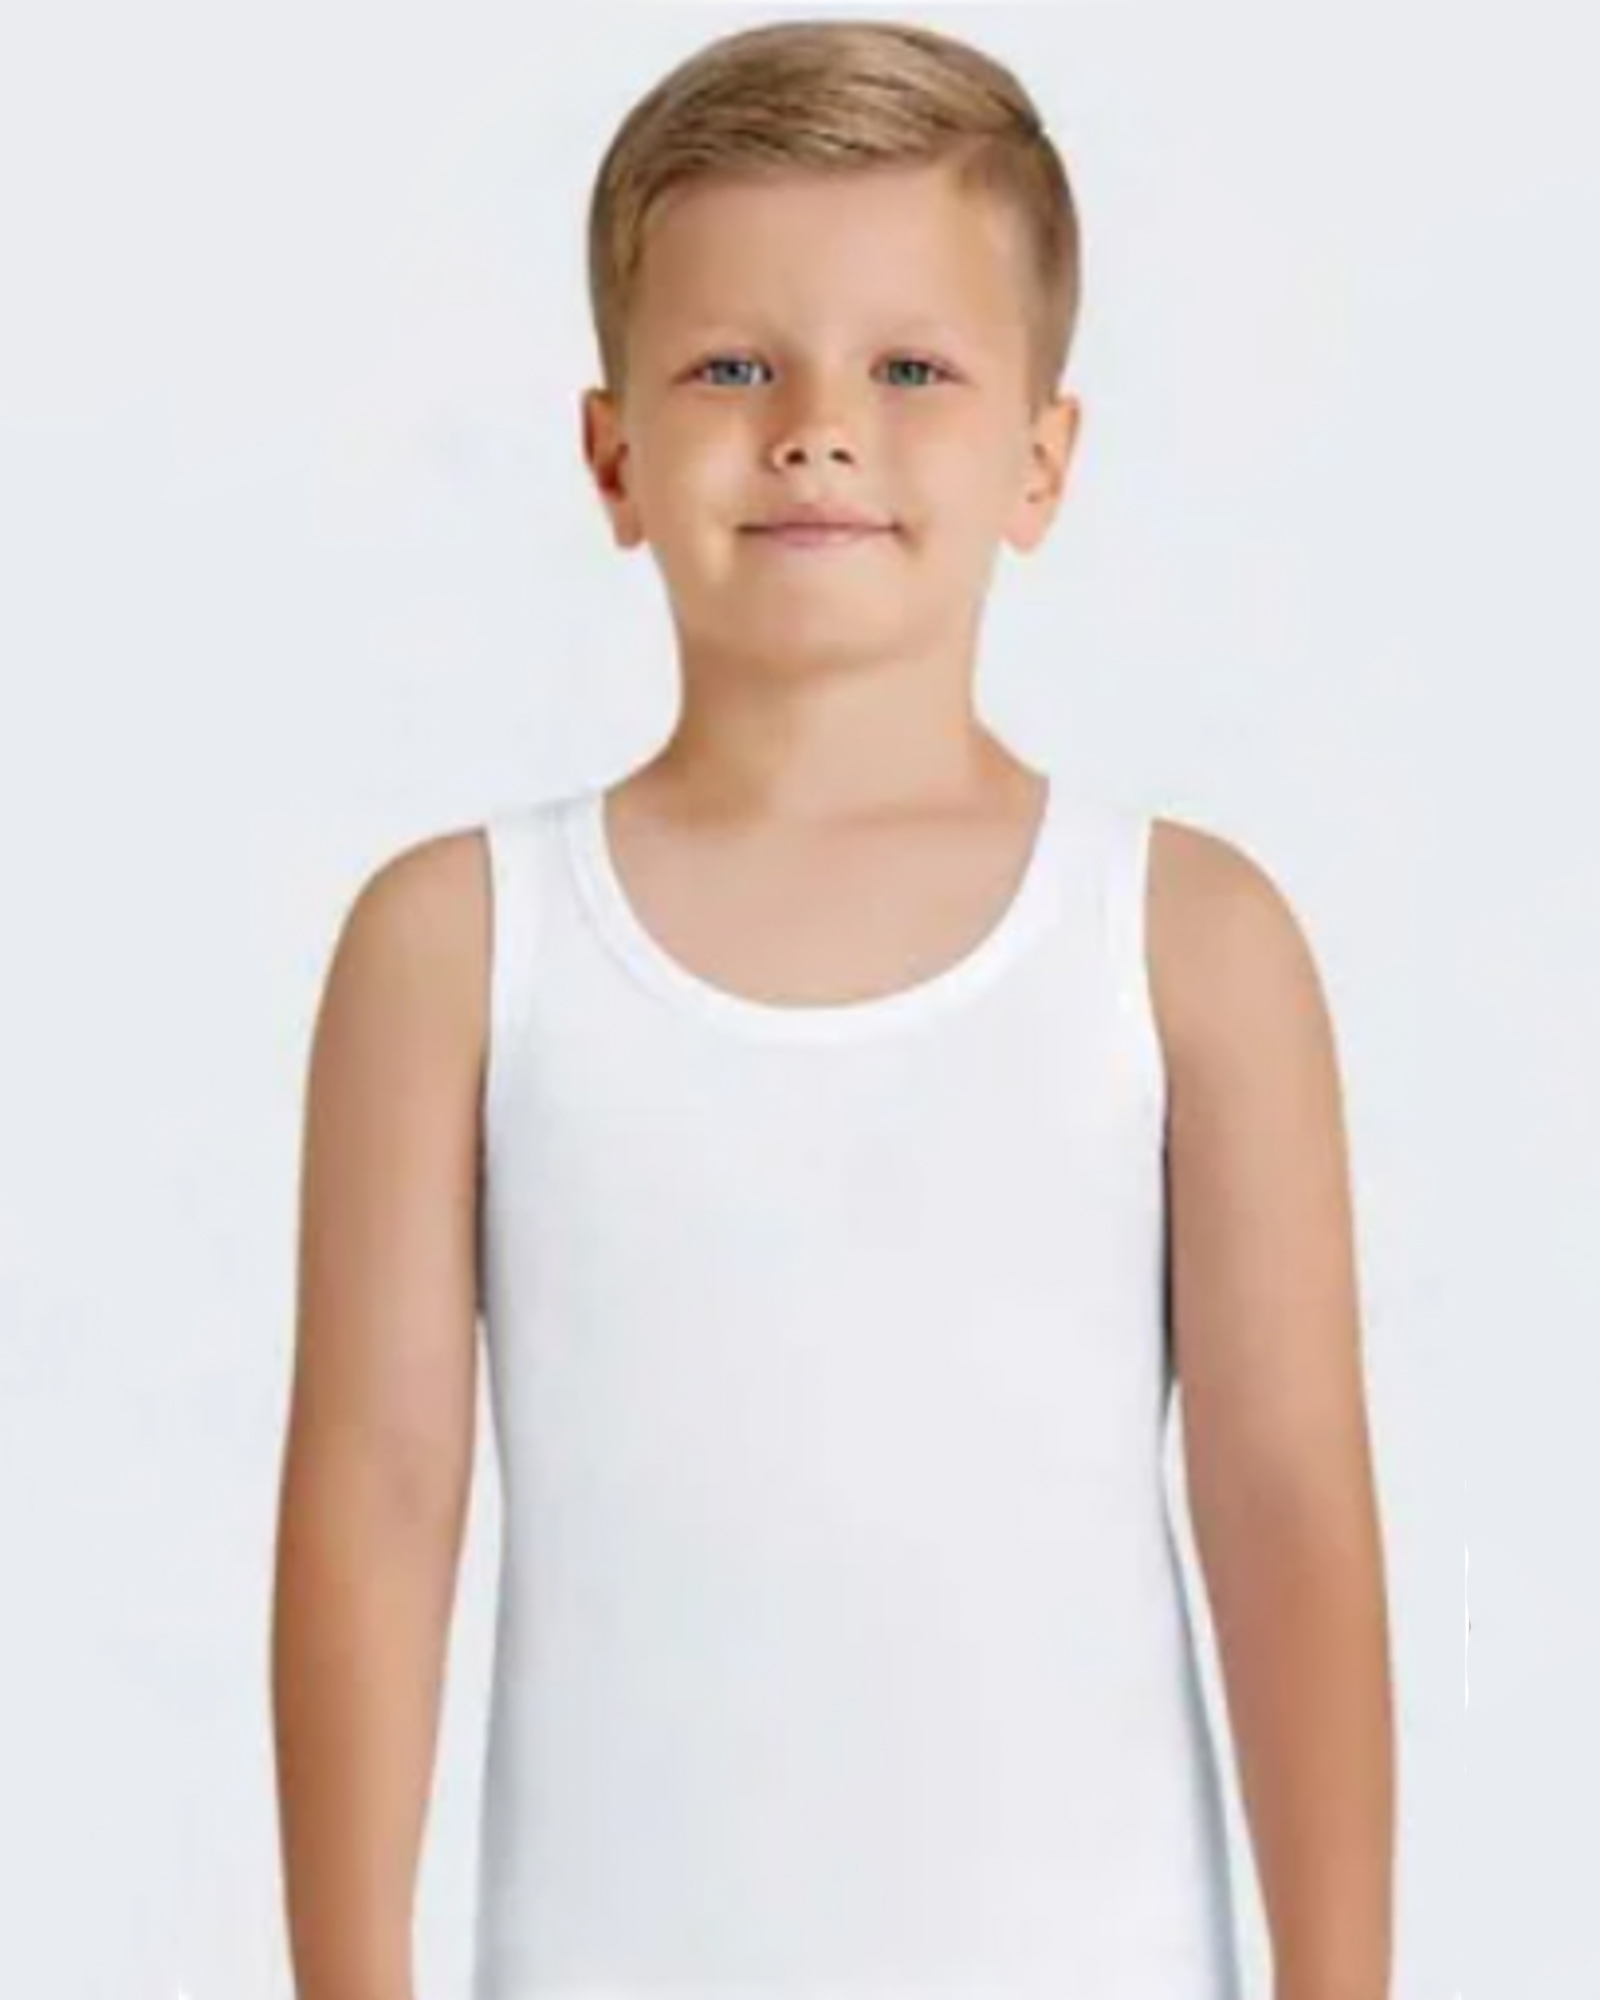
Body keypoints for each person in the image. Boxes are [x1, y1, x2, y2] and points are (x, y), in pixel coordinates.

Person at [271, 19, 1395, 2000]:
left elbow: (1287, 1497)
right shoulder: (454, 948)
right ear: (611, 455)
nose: (815, 428)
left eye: (909, 369)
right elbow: (374, 1495)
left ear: (1041, 457)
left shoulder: (1187, 945)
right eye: (730, 367)